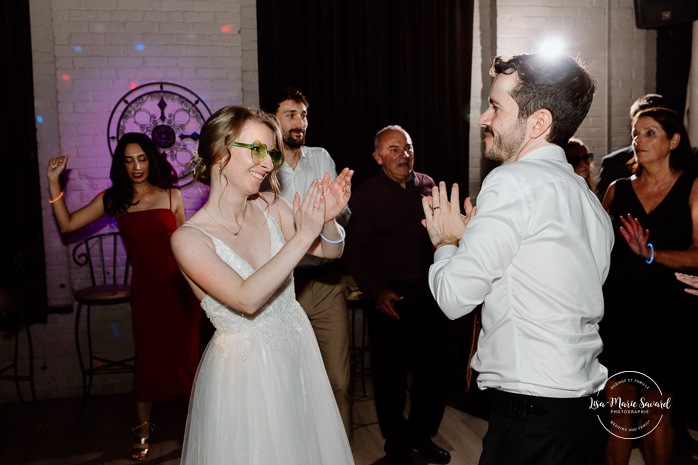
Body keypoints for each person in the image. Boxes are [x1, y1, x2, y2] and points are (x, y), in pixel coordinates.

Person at [422, 53, 614, 465]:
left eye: (495, 107)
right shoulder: (588, 199)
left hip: (534, 419)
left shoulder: (510, 182)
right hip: (587, 410)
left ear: (538, 122)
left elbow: (454, 298)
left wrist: (445, 243)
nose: (482, 120)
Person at [170, 105, 354, 465]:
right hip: (245, 372)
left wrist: (328, 220)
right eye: (256, 149)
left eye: (270, 152)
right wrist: (303, 235)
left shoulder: (271, 206)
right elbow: (246, 298)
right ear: (220, 152)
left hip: (297, 352)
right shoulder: (189, 239)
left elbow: (333, 251)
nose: (269, 163)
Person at [46, 132, 202, 462]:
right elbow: (69, 224)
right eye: (129, 160)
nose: (136, 166)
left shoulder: (173, 196)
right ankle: (143, 429)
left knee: (187, 361)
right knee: (148, 363)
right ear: (122, 164)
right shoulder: (114, 199)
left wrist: (201, 289)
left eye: (142, 159)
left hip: (180, 293)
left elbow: (187, 245)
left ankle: (199, 429)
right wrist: (52, 184)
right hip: (146, 294)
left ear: (152, 160)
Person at [344, 125, 452, 465]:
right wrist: (377, 292)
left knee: (431, 373)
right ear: (377, 157)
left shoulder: (428, 185)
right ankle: (397, 445)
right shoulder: (364, 197)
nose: (403, 155)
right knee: (389, 378)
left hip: (428, 293)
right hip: (388, 297)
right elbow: (354, 254)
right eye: (393, 150)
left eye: (407, 147)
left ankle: (422, 436)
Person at [601, 106, 698, 465]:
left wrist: (652, 253)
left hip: (669, 315)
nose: (638, 140)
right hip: (619, 313)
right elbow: (596, 252)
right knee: (619, 414)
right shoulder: (617, 189)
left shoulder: (692, 186)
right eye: (635, 133)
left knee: (657, 412)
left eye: (650, 132)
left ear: (674, 141)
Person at [265, 87, 353, 438]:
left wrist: (329, 214)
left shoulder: (321, 158)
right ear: (274, 119)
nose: (299, 122)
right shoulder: (264, 165)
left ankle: (342, 453)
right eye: (291, 114)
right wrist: (306, 226)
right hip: (281, 289)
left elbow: (341, 214)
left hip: (327, 283)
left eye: (303, 115)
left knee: (339, 382)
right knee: (289, 384)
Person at [596, 94, 667, 200]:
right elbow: (601, 211)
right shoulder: (613, 163)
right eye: (640, 119)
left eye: (650, 131)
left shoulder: (690, 163)